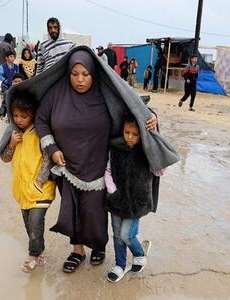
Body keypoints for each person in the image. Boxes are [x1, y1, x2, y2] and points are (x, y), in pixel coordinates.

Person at [14, 47, 179, 274]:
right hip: (66, 164)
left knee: (94, 210)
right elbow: (41, 120)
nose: (80, 80)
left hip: (99, 164)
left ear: (93, 72)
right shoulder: (56, 93)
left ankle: (98, 247)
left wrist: (150, 116)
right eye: (75, 74)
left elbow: (131, 105)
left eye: (85, 74)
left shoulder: (105, 92)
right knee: (71, 210)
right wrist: (52, 149)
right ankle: (77, 250)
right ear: (67, 73)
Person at [0, 92, 56, 272]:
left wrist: (39, 182)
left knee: (36, 220)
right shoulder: (13, 134)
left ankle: (33, 254)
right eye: (16, 116)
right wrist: (11, 145)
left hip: (41, 189)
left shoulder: (40, 133)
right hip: (22, 189)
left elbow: (48, 158)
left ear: (33, 114)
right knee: (28, 223)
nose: (19, 119)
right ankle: (39, 253)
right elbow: (5, 158)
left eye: (24, 116)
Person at [104, 114, 164, 282]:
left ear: (142, 134)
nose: (129, 137)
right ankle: (120, 265)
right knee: (116, 234)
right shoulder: (115, 148)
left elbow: (159, 171)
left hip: (137, 201)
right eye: (126, 132)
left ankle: (139, 253)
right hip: (116, 199)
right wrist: (112, 191)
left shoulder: (146, 150)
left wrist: (155, 150)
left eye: (135, 134)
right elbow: (107, 171)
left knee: (126, 235)